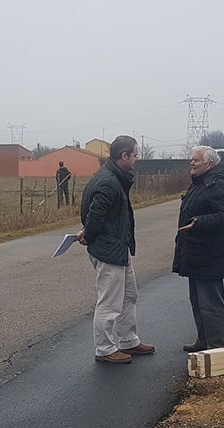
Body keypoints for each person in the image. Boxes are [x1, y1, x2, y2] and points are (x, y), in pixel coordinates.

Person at [78, 135, 155, 364]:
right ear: (124, 156)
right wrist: (88, 236)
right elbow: (94, 215)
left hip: (118, 248)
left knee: (129, 296)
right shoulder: (108, 182)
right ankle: (105, 349)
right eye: (135, 155)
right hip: (108, 250)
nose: (137, 159)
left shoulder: (114, 178)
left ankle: (128, 341)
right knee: (109, 303)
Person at [172, 145, 224, 352]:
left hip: (210, 253)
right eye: (192, 159)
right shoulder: (200, 182)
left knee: (211, 304)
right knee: (198, 301)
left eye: (195, 160)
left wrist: (198, 222)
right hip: (196, 251)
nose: (191, 163)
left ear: (208, 164)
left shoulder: (218, 184)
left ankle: (217, 347)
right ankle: (203, 339)